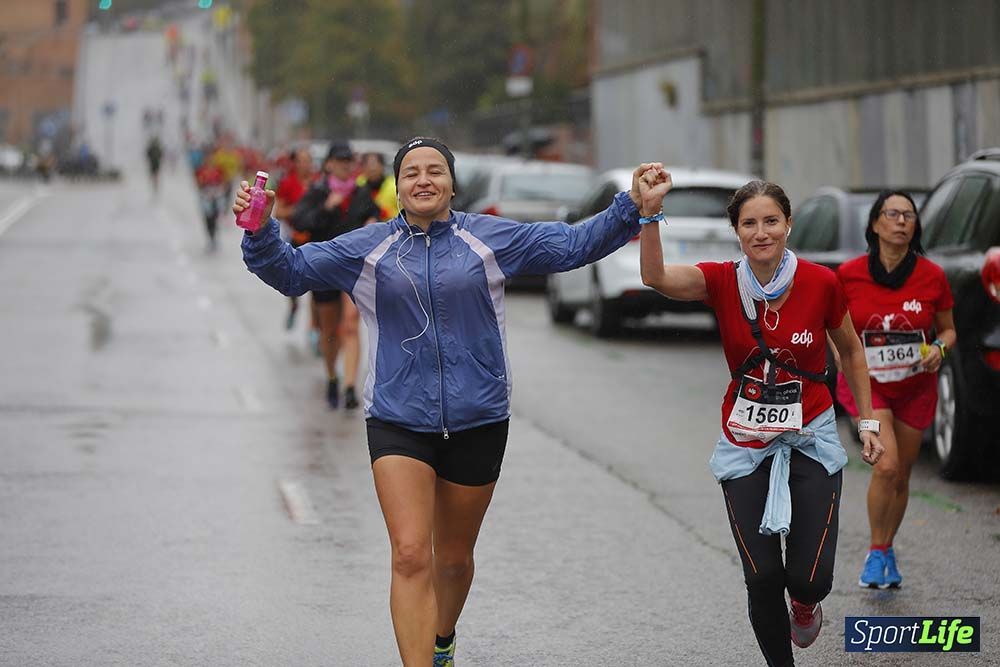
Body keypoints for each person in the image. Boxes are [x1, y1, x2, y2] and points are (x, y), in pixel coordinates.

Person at [237, 136, 658, 666]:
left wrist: (630, 207)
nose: (423, 180)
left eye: (435, 170)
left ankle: (442, 640)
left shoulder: (491, 240)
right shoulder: (367, 248)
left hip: (478, 417)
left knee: (454, 561)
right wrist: (259, 231)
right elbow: (291, 272)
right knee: (411, 554)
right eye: (411, 172)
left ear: (453, 185)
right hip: (398, 418)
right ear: (397, 187)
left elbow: (572, 245)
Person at [638, 174, 886, 666]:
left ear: (788, 224)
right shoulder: (721, 281)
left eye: (771, 220)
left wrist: (868, 422)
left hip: (810, 435)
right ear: (736, 231)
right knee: (761, 576)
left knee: (810, 578)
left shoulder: (821, 283)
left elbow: (852, 351)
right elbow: (657, 277)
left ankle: (805, 604)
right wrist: (649, 214)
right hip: (745, 441)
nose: (761, 232)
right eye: (749, 223)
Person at [835, 191, 956, 590]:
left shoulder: (932, 276)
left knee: (901, 474)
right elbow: (831, 326)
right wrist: (840, 359)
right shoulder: (848, 275)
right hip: (868, 389)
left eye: (909, 215)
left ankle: (886, 548)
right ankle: (874, 550)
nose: (902, 221)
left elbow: (948, 330)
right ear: (875, 224)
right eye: (893, 214)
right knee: (885, 464)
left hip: (915, 387)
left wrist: (938, 349)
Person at [289, 142, 379, 410]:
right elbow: (300, 221)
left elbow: (374, 212)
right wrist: (327, 208)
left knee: (350, 325)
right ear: (328, 164)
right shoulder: (318, 191)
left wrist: (372, 221)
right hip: (326, 269)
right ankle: (331, 375)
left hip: (355, 269)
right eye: (340, 161)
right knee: (330, 330)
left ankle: (350, 386)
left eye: (349, 161)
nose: (346, 165)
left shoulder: (360, 192)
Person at [274, 147, 315, 330]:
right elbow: (279, 212)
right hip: (294, 237)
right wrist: (298, 211)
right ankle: (293, 305)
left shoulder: (318, 182)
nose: (305, 164)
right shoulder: (287, 183)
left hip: (316, 238)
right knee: (292, 281)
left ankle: (314, 327)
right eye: (301, 160)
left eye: (308, 160)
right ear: (295, 163)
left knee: (318, 286)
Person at [357, 151, 398, 220]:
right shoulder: (358, 183)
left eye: (375, 164)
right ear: (363, 167)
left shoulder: (395, 185)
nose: (372, 168)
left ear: (382, 166)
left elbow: (405, 213)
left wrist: (386, 213)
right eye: (368, 165)